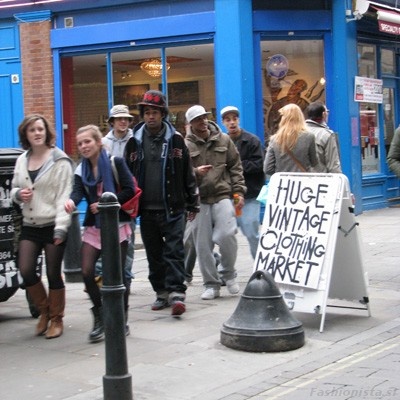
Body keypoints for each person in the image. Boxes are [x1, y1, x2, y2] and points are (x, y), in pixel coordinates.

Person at [124, 90, 199, 316]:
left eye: (154, 112)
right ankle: (161, 292)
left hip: (174, 207)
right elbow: (127, 175)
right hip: (146, 211)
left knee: (174, 251)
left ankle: (177, 293)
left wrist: (192, 202)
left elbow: (187, 172)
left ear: (162, 114)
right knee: (154, 254)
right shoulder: (133, 143)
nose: (150, 117)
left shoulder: (176, 139)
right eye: (147, 112)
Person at [65, 124, 135, 342]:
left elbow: (129, 190)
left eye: (87, 141)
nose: (83, 146)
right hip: (94, 227)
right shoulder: (80, 169)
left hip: (116, 225)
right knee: (86, 272)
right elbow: (77, 192)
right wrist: (70, 201)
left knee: (118, 274)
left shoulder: (116, 162)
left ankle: (121, 319)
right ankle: (100, 315)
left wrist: (107, 203)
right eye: (80, 144)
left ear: (98, 142)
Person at [11, 114, 73, 339]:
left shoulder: (60, 160)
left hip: (54, 223)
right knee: (26, 269)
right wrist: (19, 194)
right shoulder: (22, 160)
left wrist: (61, 228)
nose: (37, 133)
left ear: (47, 132)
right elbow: (14, 190)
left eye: (40, 129)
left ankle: (57, 319)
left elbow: (64, 197)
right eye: (32, 130)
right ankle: (44, 312)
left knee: (54, 273)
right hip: (30, 223)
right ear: (25, 135)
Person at [184, 105, 246, 300]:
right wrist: (195, 173)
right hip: (198, 199)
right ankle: (211, 284)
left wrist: (238, 193)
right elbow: (180, 174)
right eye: (197, 120)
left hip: (222, 195)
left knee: (228, 235)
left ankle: (228, 274)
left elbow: (236, 167)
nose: (202, 122)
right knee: (202, 244)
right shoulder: (184, 145)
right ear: (190, 124)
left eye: (204, 117)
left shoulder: (224, 139)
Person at [221, 106, 265, 259]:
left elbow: (259, 165)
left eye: (234, 119)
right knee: (222, 235)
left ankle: (261, 265)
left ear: (238, 120)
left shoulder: (252, 140)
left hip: (249, 195)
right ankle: (224, 270)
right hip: (227, 196)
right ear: (223, 123)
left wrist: (236, 165)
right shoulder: (221, 142)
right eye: (228, 120)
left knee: (251, 232)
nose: (232, 123)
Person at [101, 104, 135, 291]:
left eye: (126, 118)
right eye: (119, 118)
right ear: (112, 122)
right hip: (110, 197)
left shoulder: (135, 139)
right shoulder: (103, 143)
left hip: (131, 197)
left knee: (128, 242)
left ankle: (126, 279)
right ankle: (108, 278)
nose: (123, 121)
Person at [264, 103, 318, 175]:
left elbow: (267, 169)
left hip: (282, 183)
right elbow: (314, 163)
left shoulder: (275, 139)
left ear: (283, 119)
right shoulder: (309, 137)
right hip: (303, 182)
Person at [305, 101, 342, 173]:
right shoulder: (326, 135)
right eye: (327, 111)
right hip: (321, 180)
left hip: (300, 180)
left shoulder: (298, 132)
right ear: (324, 114)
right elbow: (333, 165)